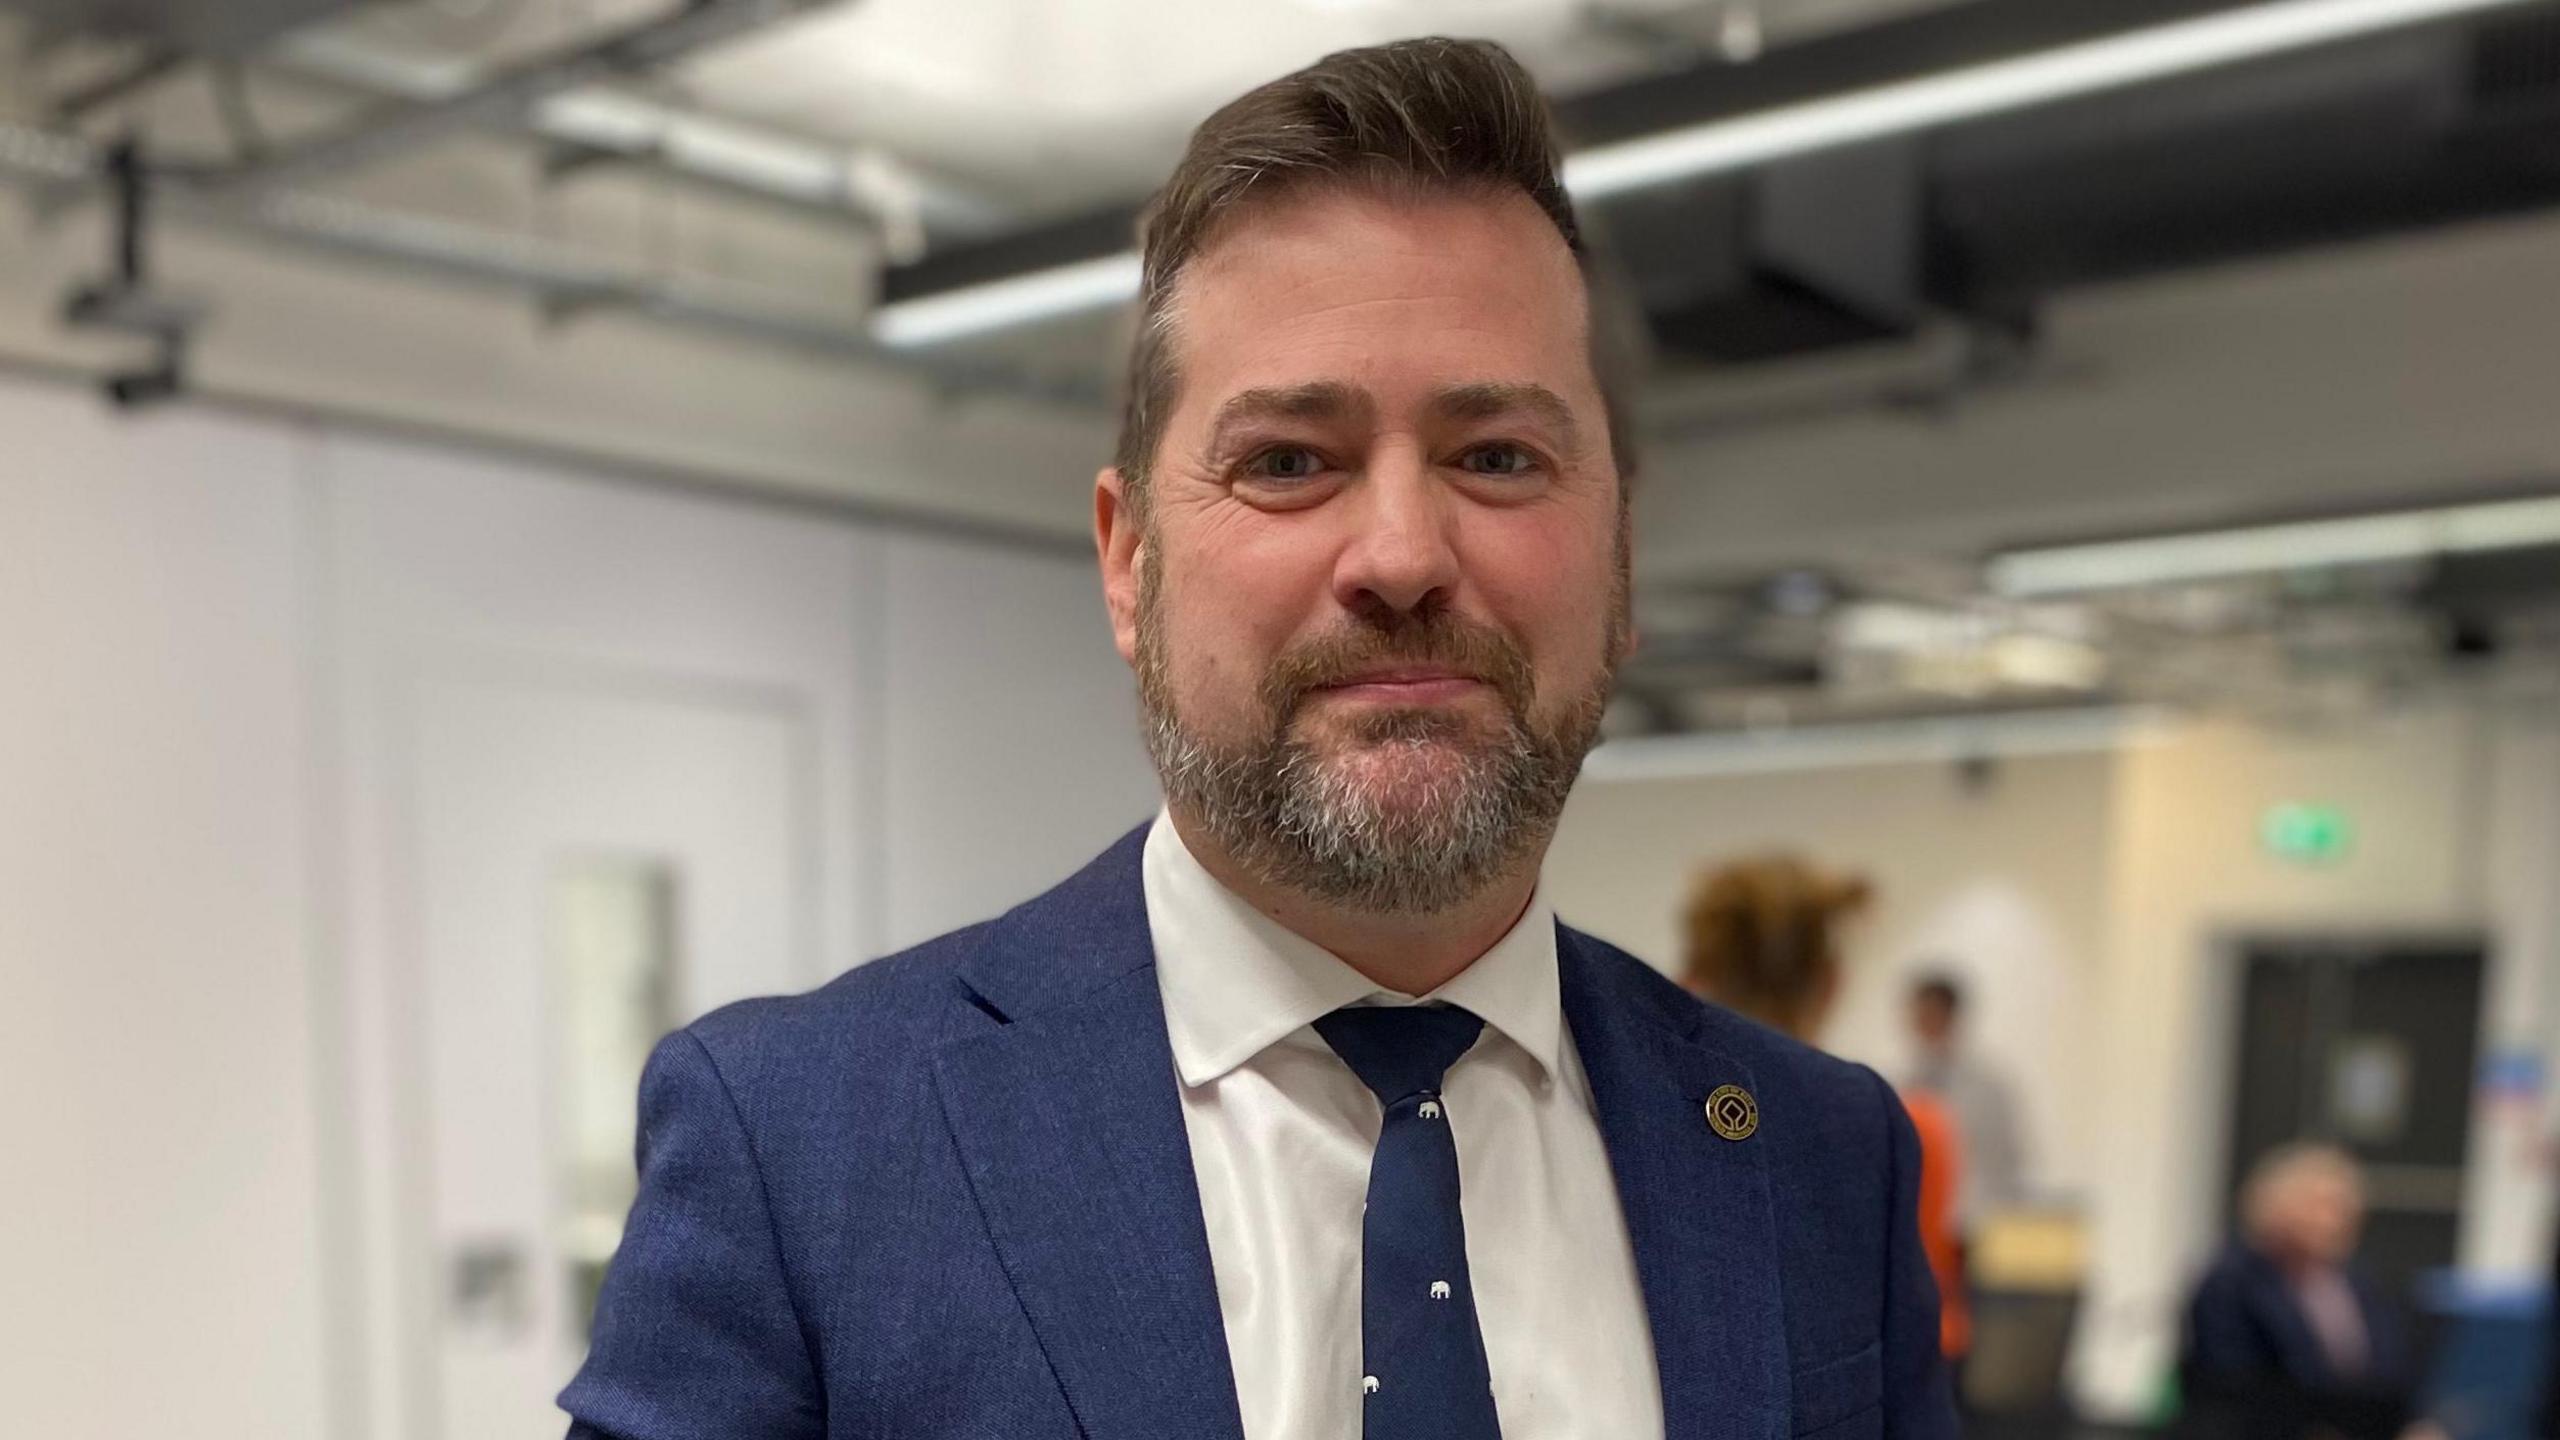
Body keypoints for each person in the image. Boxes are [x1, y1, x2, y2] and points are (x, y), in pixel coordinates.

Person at [562, 38, 1955, 1440]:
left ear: (1624, 559)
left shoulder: (1819, 1163)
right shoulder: (800, 1150)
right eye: (1289, 460)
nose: (1403, 555)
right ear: (1129, 564)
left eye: (1497, 457)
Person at [1683, 856, 1971, 1362]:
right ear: (1832, 982)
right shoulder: (1910, 1127)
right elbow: (1922, 1297)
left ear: (1693, 976)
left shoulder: (1643, 1125)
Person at [2179, 1143, 2425, 1440]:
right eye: (2319, 1206)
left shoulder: (2361, 1285)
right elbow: (2230, 1387)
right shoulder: (2232, 1284)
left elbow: (2392, 1375)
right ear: (2275, 1208)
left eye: (2344, 1208)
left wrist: (2411, 1426)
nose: (2332, 1220)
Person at [1904, 969, 2030, 1231]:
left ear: (1951, 1017)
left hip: (1973, 1223)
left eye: (1932, 1015)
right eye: (1919, 1016)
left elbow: (2009, 1161)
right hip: (1918, 1223)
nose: (1924, 1025)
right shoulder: (1902, 1087)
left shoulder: (1990, 1088)